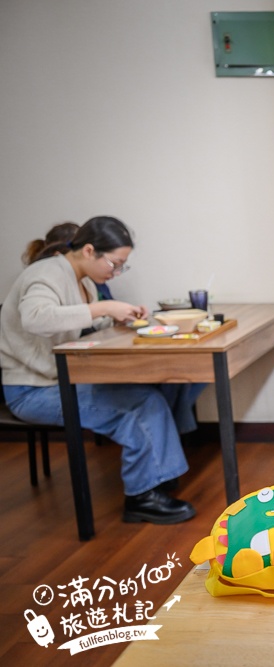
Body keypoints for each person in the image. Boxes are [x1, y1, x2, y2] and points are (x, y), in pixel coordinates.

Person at [1, 216, 197, 524]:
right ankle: (141, 498)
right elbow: (36, 318)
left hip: (62, 379)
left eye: (122, 266)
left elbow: (74, 323)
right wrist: (104, 307)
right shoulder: (45, 273)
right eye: (114, 264)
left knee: (161, 385)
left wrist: (115, 318)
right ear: (89, 251)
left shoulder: (84, 281)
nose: (116, 272)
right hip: (32, 390)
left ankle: (156, 475)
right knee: (141, 404)